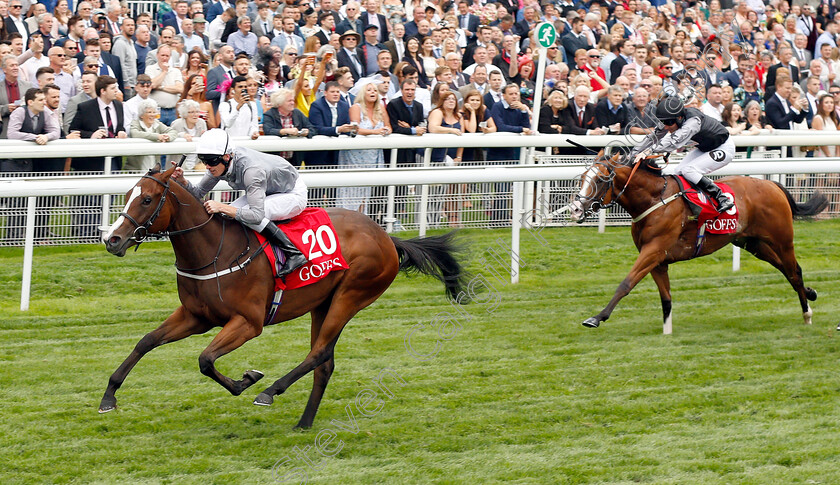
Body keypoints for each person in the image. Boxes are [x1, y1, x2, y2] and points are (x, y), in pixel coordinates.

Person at [171, 129, 308, 277]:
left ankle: (293, 253)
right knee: (231, 214)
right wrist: (182, 181)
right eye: (204, 161)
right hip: (269, 187)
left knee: (235, 212)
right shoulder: (220, 163)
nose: (207, 167)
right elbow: (197, 193)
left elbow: (256, 215)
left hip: (291, 193)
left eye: (211, 161)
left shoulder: (252, 171)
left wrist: (222, 206)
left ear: (226, 156)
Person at [631, 96, 735, 213]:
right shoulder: (671, 118)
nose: (665, 126)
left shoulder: (692, 122)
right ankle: (691, 204)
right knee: (678, 171)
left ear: (679, 118)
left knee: (689, 170)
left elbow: (673, 141)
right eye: (662, 122)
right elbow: (653, 138)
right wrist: (633, 154)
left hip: (724, 148)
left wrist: (648, 151)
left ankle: (721, 197)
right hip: (706, 147)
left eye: (668, 122)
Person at [336, 81, 390, 215]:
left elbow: (389, 126)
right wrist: (376, 132)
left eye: (375, 90)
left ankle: (361, 217)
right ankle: (346, 216)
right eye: (369, 90)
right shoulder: (356, 107)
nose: (373, 92)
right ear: (363, 93)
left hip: (373, 154)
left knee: (366, 189)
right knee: (353, 187)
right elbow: (356, 129)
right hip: (356, 155)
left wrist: (386, 131)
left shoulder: (381, 109)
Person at [262, 88, 314, 167]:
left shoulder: (297, 113)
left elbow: (312, 129)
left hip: (295, 159)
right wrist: (284, 131)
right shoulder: (269, 114)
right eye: (289, 101)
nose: (292, 103)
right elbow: (268, 131)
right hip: (275, 160)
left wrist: (306, 132)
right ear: (280, 103)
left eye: (293, 100)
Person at [127, 98, 178, 171]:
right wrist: (157, 136)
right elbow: (135, 134)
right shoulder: (135, 123)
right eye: (149, 112)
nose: (152, 115)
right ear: (142, 115)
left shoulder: (157, 123)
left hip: (154, 168)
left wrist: (168, 137)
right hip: (136, 168)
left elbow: (173, 131)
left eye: (154, 112)